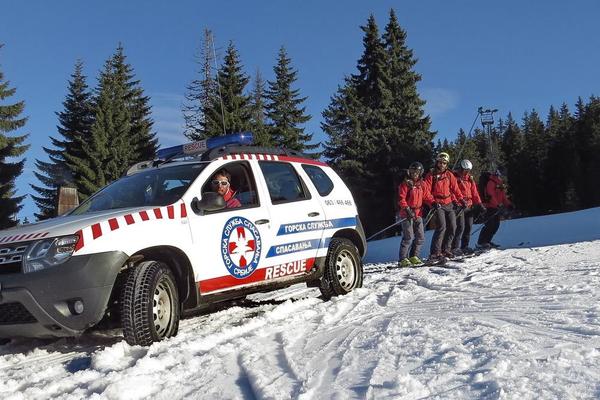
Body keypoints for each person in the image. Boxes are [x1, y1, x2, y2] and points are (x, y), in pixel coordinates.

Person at [423, 152, 466, 260]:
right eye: (440, 162)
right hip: (438, 204)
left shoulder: (449, 175)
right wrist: (432, 202)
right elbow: (426, 192)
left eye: (444, 163)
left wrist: (461, 199)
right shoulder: (431, 175)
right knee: (442, 227)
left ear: (447, 164)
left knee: (453, 226)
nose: (442, 165)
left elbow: (455, 188)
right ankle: (435, 252)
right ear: (437, 162)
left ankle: (446, 249)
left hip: (449, 203)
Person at [397, 162, 433, 267]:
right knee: (408, 237)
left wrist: (433, 203)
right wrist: (407, 209)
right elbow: (401, 198)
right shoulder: (406, 183)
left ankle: (414, 256)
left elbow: (427, 196)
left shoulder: (422, 184)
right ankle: (403, 258)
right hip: (407, 214)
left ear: (421, 173)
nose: (415, 174)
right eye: (413, 172)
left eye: (417, 172)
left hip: (418, 213)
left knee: (420, 236)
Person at [451, 159, 485, 256]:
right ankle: (455, 247)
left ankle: (464, 246)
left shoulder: (469, 179)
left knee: (468, 226)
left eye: (467, 170)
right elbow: (452, 191)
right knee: (460, 227)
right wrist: (456, 202)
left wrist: (479, 204)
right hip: (459, 205)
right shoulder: (455, 177)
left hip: (469, 206)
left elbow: (474, 193)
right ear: (460, 168)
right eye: (464, 170)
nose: (466, 172)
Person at [477, 167, 511, 248]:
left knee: (496, 225)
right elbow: (490, 195)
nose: (501, 176)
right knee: (489, 225)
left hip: (496, 208)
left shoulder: (500, 183)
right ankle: (481, 243)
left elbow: (503, 196)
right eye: (501, 174)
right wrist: (497, 205)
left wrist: (508, 204)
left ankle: (487, 241)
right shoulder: (491, 182)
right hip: (489, 207)